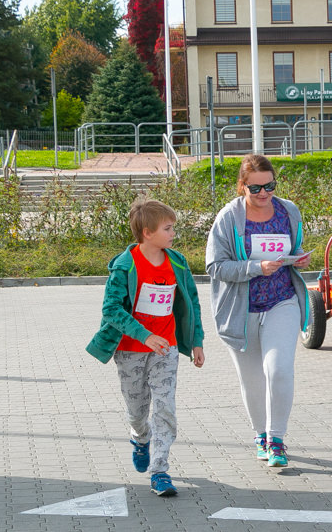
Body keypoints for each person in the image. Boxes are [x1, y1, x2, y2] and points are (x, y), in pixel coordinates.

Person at [87, 198, 205, 497]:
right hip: (129, 350)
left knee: (165, 407)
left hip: (166, 348)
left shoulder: (177, 261)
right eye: (168, 228)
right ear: (147, 232)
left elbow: (191, 302)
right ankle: (140, 438)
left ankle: (160, 470)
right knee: (138, 410)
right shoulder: (125, 266)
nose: (173, 233)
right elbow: (111, 310)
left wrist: (197, 342)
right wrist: (144, 335)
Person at [205, 155, 312, 468]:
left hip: (282, 300)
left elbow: (291, 248)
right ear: (242, 186)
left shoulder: (288, 210)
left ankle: (277, 439)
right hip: (242, 309)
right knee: (252, 380)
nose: (264, 193)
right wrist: (255, 268)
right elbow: (215, 266)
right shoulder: (229, 217)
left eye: (270, 186)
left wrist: (297, 259)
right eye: (256, 188)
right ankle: (260, 436)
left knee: (278, 370)